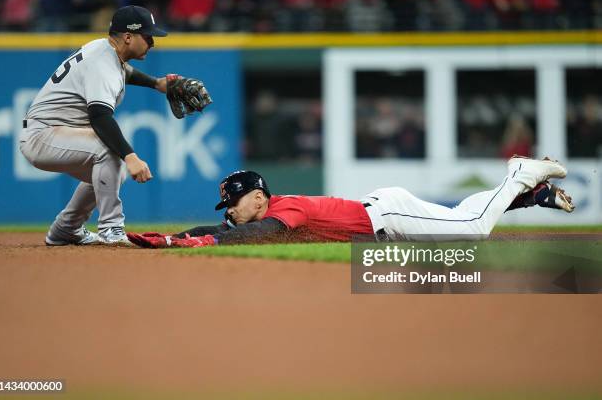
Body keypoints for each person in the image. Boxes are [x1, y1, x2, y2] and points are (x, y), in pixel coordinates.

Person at [19, 6, 209, 246]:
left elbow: (124, 71)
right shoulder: (103, 64)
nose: (152, 42)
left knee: (107, 171)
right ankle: (111, 228)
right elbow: (100, 117)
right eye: (147, 37)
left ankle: (66, 229)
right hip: (43, 135)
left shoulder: (104, 48)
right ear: (128, 37)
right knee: (111, 153)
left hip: (52, 131)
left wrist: (157, 84)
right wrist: (130, 156)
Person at [127, 156, 575, 248]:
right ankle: (529, 195)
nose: (228, 212)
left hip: (385, 216)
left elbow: (257, 233)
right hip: (382, 214)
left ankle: (519, 174)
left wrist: (207, 245)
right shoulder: (270, 207)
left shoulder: (284, 210)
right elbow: (220, 231)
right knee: (460, 216)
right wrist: (172, 239)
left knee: (470, 229)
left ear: (258, 199)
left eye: (233, 204)